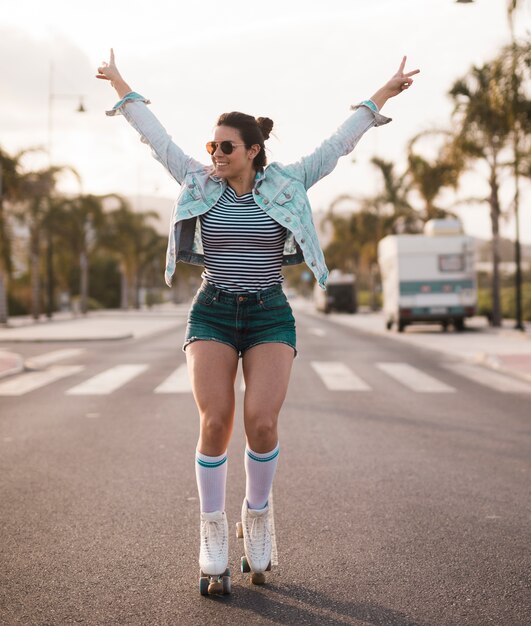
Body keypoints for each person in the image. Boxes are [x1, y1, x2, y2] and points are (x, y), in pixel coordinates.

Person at [96, 49, 420, 594]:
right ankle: (213, 531)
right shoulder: (200, 182)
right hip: (214, 311)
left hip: (270, 312)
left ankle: (259, 515)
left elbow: (338, 144)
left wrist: (380, 96)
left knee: (263, 422)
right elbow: (158, 140)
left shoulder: (288, 182)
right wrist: (121, 87)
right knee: (216, 419)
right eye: (212, 146)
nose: (215, 154)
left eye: (226, 147)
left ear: (252, 151)